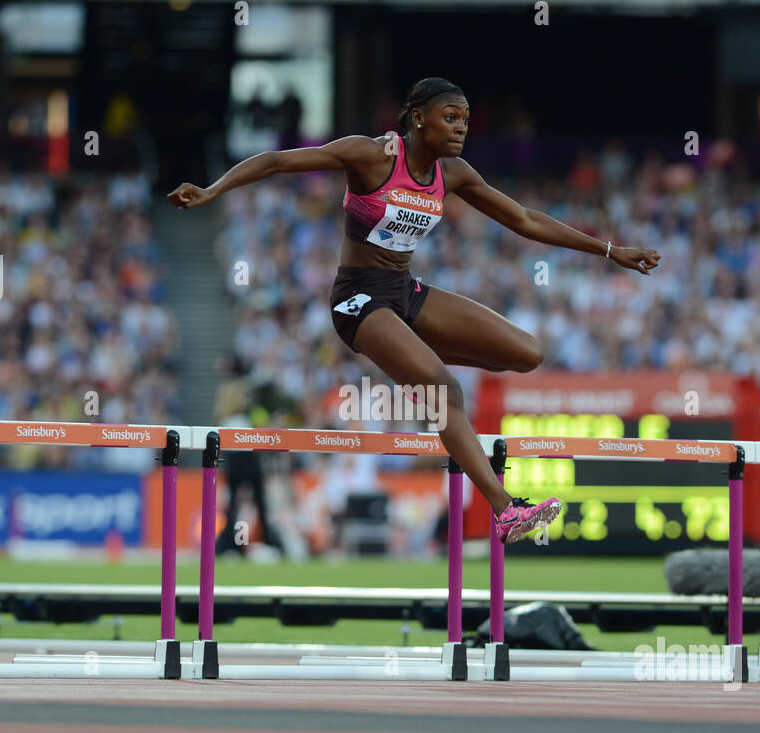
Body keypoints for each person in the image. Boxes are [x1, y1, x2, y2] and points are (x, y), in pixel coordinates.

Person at [169, 77, 661, 543]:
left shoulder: (454, 174)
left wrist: (609, 250)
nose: (462, 127)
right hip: (357, 299)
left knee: (527, 352)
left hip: (405, 292)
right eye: (451, 117)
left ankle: (415, 365)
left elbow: (525, 219)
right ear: (419, 118)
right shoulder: (371, 155)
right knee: (443, 390)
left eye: (466, 119)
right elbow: (277, 160)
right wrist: (212, 191)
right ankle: (506, 509)